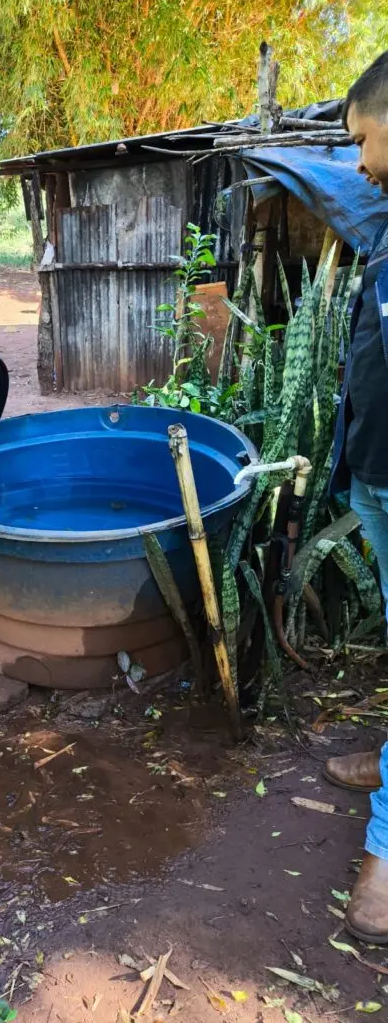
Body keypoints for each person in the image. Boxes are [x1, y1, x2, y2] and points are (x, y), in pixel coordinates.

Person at [324, 51, 388, 943]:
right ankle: (385, 766)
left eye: (364, 139)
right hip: (375, 472)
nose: (361, 163)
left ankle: (385, 854)